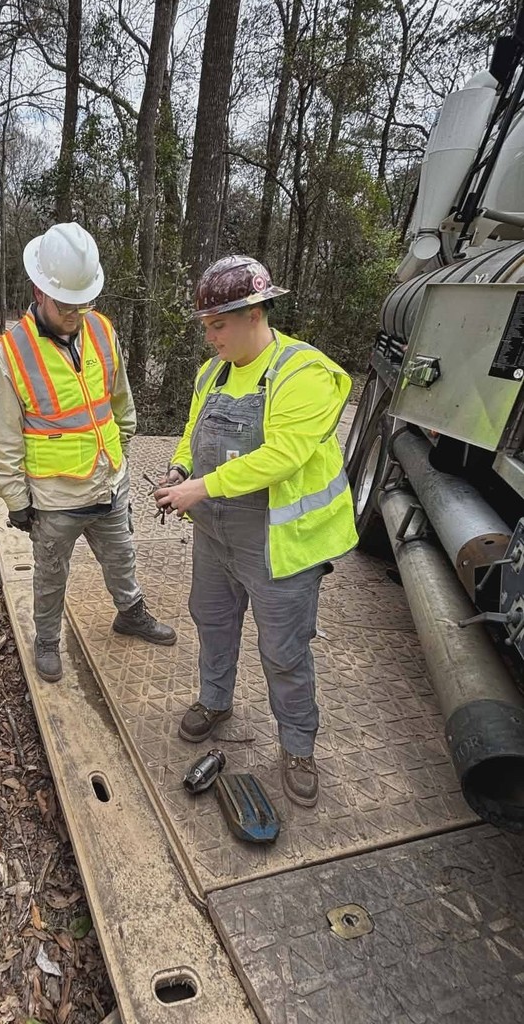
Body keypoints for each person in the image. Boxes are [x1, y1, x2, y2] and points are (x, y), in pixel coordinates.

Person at [155, 255, 357, 807]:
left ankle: (297, 747)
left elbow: (285, 455)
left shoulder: (304, 372)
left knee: (284, 651)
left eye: (218, 324)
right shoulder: (212, 372)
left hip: (281, 547)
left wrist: (201, 488)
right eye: (206, 326)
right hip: (216, 538)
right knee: (213, 623)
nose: (210, 336)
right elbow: (191, 431)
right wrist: (178, 469)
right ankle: (215, 701)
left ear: (254, 312)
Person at [0, 222, 176, 682]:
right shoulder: (9, 356)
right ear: (39, 290)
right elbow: (1, 440)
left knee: (122, 555)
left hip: (108, 483)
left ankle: (130, 613)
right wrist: (17, 501)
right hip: (55, 500)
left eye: (82, 303)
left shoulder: (102, 330)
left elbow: (120, 402)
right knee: (50, 575)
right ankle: (46, 640)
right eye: (65, 304)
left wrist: (120, 454)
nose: (75, 313)